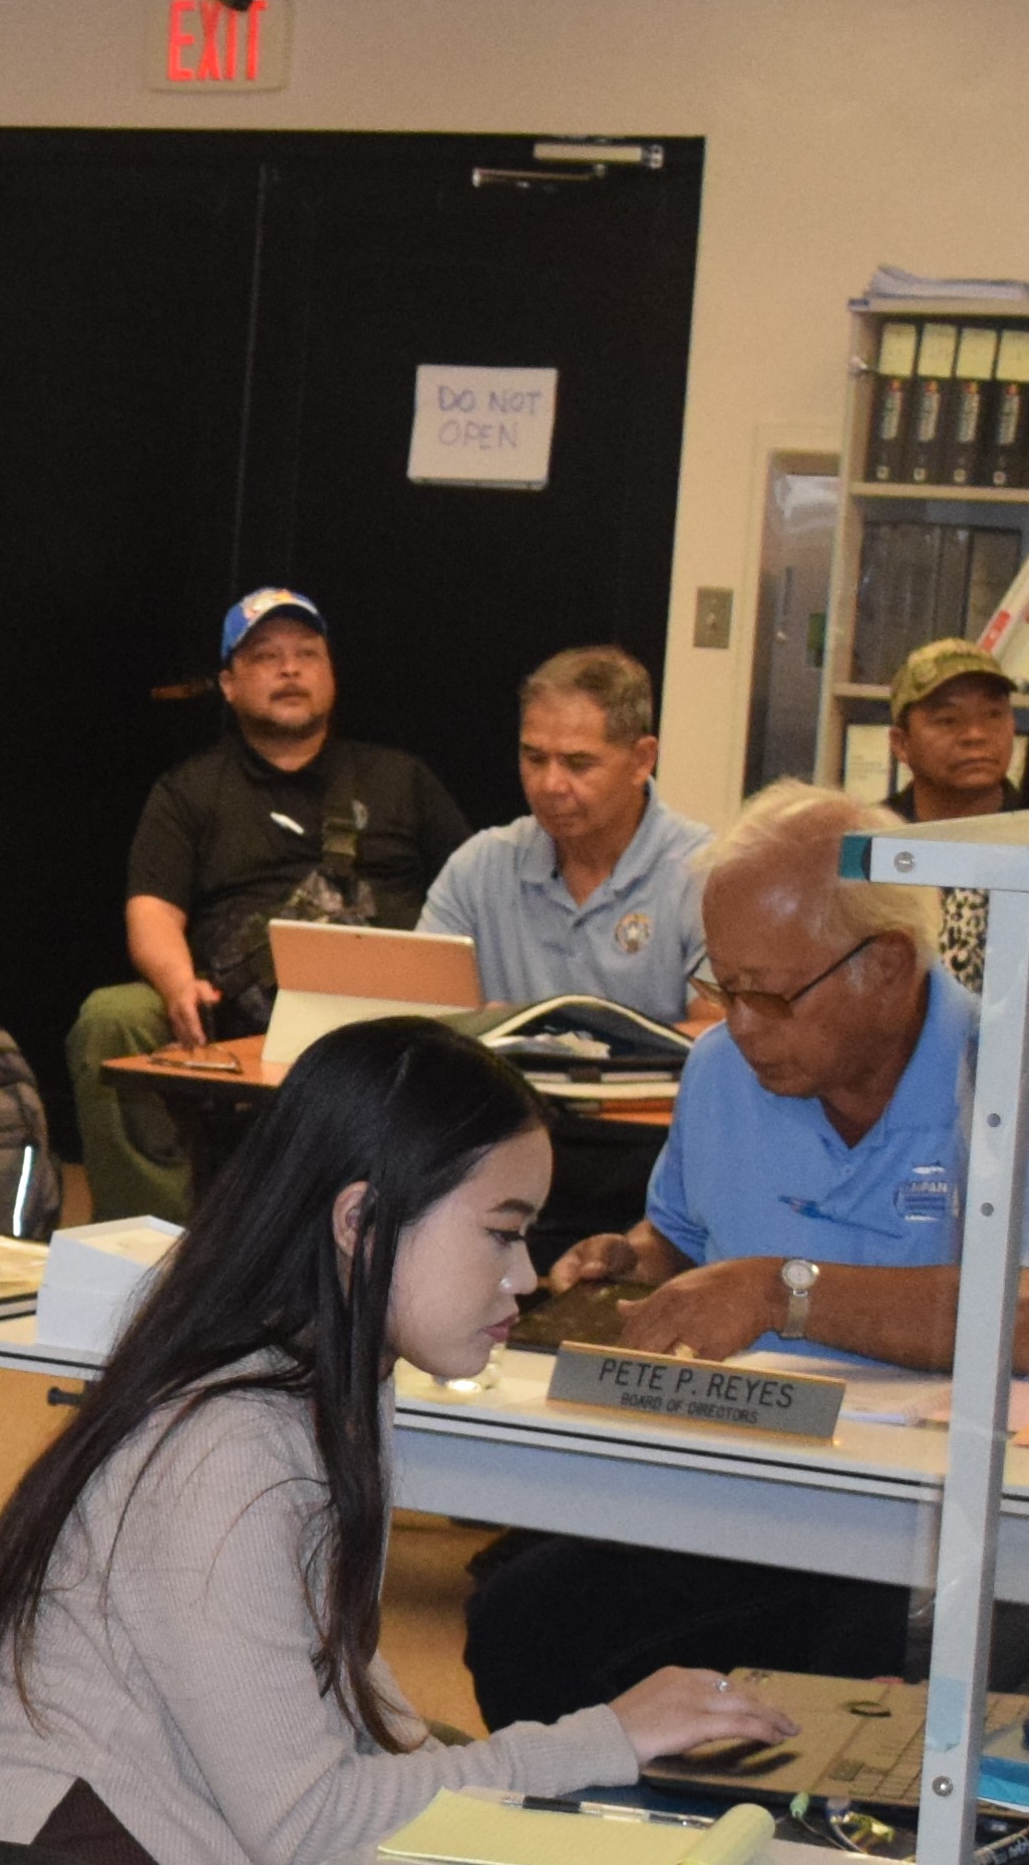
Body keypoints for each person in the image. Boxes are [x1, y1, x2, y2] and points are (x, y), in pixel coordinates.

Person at [0, 1020, 780, 1865]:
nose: (528, 1276)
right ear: (362, 1220)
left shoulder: (316, 1389)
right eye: (501, 1230)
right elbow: (313, 1821)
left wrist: (564, 1788)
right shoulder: (224, 1455)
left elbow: (336, 1727)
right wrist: (595, 1743)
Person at [473, 781, 1004, 1726]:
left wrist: (782, 1292)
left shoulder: (1000, 1077)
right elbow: (682, 1236)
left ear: (886, 965)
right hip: (748, 1486)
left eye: (769, 994)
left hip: (939, 1520)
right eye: (724, 988)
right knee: (525, 1622)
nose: (742, 1025)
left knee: (865, 1666)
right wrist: (629, 1261)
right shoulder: (723, 1071)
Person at [72, 589, 477, 1221]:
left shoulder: (402, 780)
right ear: (229, 685)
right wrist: (179, 986)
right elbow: (151, 911)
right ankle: (159, 1244)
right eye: (265, 657)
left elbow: (475, 893)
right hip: (231, 1015)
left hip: (382, 1011)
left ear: (331, 675)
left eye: (307, 654)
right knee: (111, 1016)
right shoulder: (189, 790)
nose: (290, 669)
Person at [413, 646, 710, 1021]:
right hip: (503, 1081)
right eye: (534, 758)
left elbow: (722, 1039)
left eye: (578, 763)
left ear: (641, 760)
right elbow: (423, 1021)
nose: (550, 784)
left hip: (653, 1083)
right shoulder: (479, 867)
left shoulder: (707, 875)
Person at [883, 636, 1009, 992]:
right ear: (900, 744)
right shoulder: (870, 843)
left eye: (994, 715)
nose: (976, 735)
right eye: (948, 720)